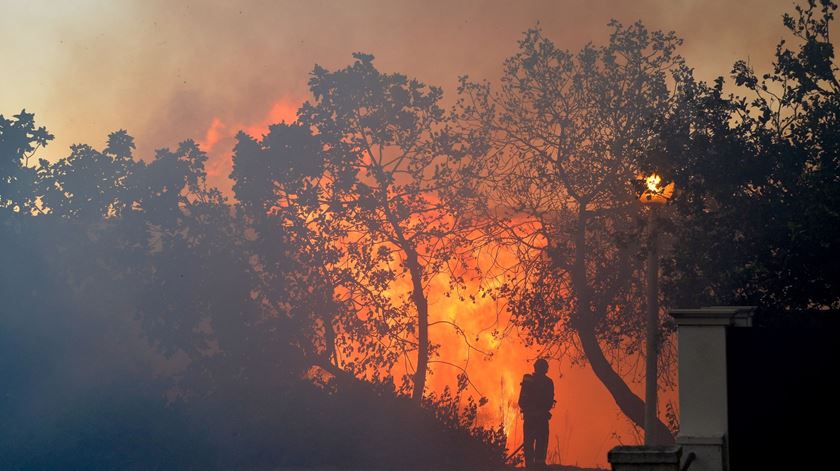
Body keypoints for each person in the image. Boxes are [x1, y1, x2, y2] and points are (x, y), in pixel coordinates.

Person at [518, 358, 554, 469]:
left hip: (530, 418)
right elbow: (549, 402)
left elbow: (521, 402)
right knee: (541, 441)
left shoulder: (528, 381)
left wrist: (530, 411)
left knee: (528, 442)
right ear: (545, 369)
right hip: (541, 419)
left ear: (535, 367)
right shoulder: (548, 382)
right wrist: (540, 411)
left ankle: (530, 465)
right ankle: (539, 465)